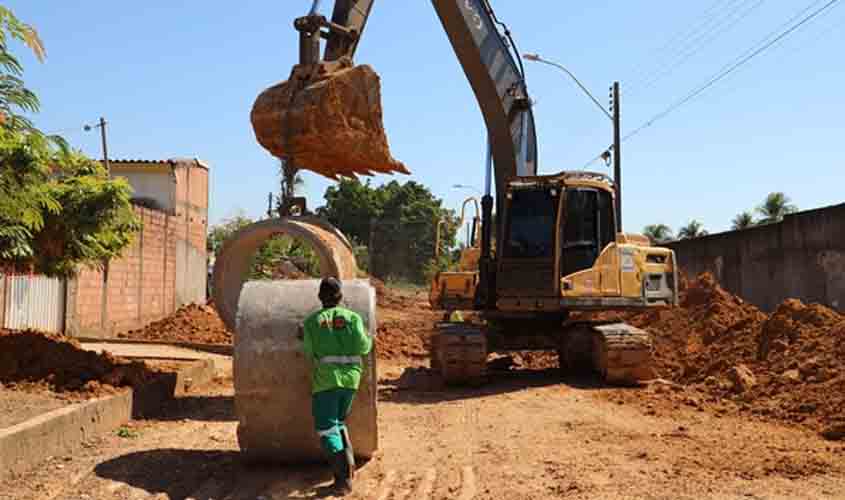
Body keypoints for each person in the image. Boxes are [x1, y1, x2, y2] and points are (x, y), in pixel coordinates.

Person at [302, 277, 372, 495]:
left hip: (326, 381)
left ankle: (342, 481)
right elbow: (364, 346)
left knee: (326, 428)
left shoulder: (312, 322)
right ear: (340, 297)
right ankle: (349, 467)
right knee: (339, 423)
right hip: (351, 379)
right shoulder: (353, 318)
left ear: (320, 297)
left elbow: (309, 353)